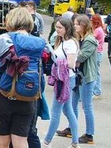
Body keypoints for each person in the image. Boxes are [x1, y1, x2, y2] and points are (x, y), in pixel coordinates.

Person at [0, 7, 46, 148]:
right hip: (28, 97)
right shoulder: (39, 43)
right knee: (21, 141)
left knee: (1, 142)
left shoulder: (3, 39)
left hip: (3, 96)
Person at [42, 17, 80, 148]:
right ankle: (75, 142)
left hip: (65, 80)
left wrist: (54, 58)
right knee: (68, 110)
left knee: (56, 111)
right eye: (56, 27)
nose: (57, 30)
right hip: (64, 79)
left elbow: (70, 63)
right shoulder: (64, 41)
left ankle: (47, 141)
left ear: (67, 28)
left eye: (59, 28)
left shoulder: (70, 43)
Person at [70, 14, 98, 144]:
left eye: (76, 24)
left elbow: (80, 58)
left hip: (86, 77)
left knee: (87, 106)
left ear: (84, 25)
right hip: (78, 75)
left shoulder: (89, 40)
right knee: (72, 104)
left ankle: (89, 134)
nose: (74, 26)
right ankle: (72, 128)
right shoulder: (80, 38)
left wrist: (72, 57)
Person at [90, 14, 105, 99]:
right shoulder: (100, 29)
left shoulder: (97, 30)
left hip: (97, 53)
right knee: (96, 72)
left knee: (95, 72)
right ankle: (97, 90)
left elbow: (90, 38)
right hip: (98, 52)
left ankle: (96, 91)